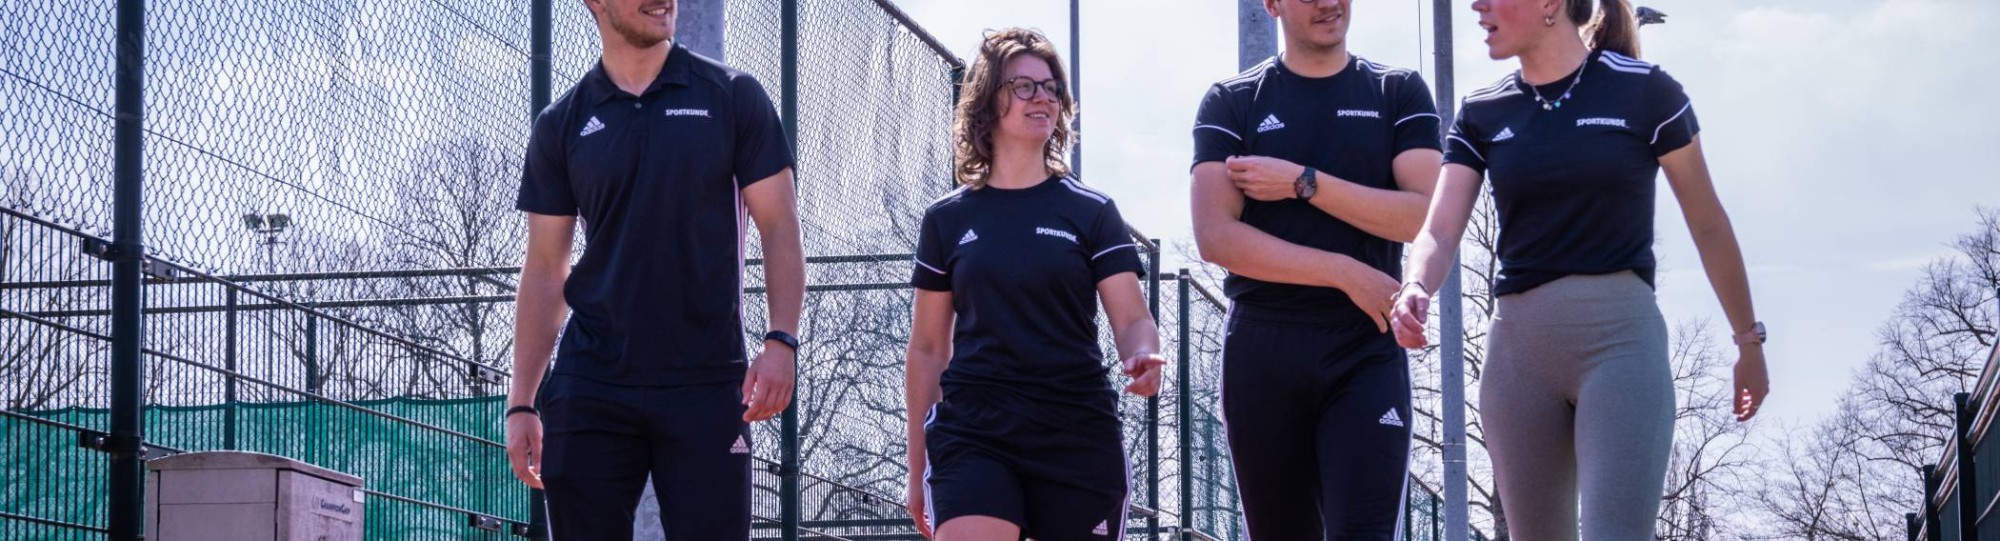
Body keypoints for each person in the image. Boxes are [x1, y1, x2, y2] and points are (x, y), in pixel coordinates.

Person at [1391, 0, 1770, 538]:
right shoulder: (1483, 112)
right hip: (1518, 360)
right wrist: (1416, 285)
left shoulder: (1646, 92)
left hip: (1620, 348)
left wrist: (1748, 342)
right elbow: (1439, 228)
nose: (1477, 5)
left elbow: (1707, 222)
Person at [502, 0, 805, 538]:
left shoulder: (733, 97)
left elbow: (779, 225)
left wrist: (781, 339)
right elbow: (546, 268)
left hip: (707, 381)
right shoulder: (562, 123)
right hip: (592, 382)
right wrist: (522, 401)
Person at [1189, 0, 1444, 536]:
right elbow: (1215, 236)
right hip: (1264, 348)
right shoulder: (1232, 101)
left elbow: (1423, 215)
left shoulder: (1397, 92)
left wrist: (1305, 183)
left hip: (1364, 349)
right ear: (1273, 4)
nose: (1330, 3)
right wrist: (1343, 271)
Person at [903, 28, 1167, 541]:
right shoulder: (946, 220)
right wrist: (917, 471)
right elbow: (929, 349)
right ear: (987, 101)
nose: (1042, 97)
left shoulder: (1092, 212)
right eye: (1023, 86)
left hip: (1076, 434)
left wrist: (1144, 355)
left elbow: (1133, 319)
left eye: (1051, 87)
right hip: (974, 433)